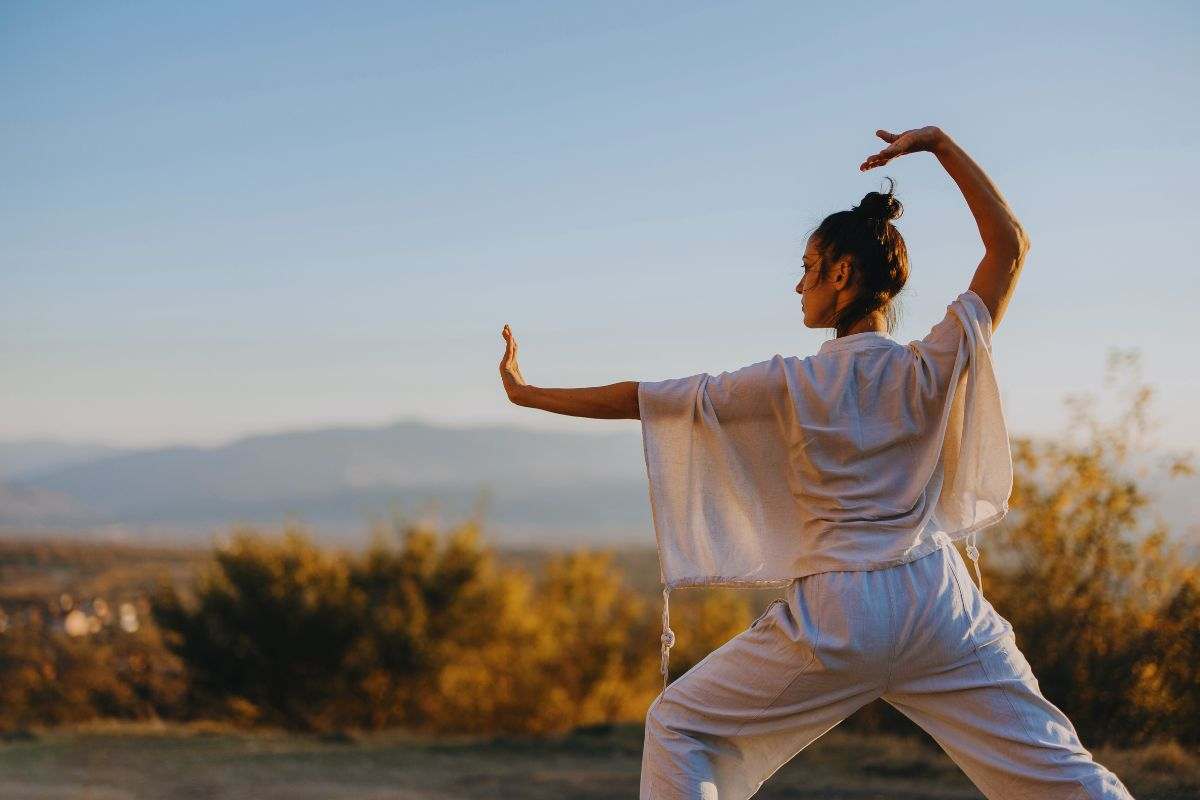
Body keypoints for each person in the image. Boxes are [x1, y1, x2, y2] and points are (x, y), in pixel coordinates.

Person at [498, 126, 1133, 799]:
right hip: (938, 605)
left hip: (840, 615)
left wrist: (528, 393)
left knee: (681, 726)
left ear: (840, 273)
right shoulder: (932, 363)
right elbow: (1010, 248)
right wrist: (941, 146)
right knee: (1061, 776)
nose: (797, 283)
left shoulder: (787, 383)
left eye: (807, 267)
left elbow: (650, 401)